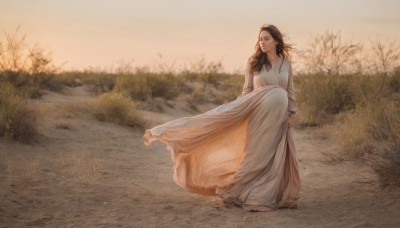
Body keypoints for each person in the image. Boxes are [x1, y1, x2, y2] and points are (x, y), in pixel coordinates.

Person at [143, 24, 300, 212]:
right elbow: (247, 91)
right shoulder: (254, 63)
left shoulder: (286, 65)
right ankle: (236, 192)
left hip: (278, 120)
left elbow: (290, 91)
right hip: (258, 119)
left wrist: (293, 113)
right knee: (254, 157)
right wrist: (239, 112)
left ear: (276, 40)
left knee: (273, 157)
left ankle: (266, 194)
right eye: (260, 39)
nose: (262, 42)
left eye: (266, 38)